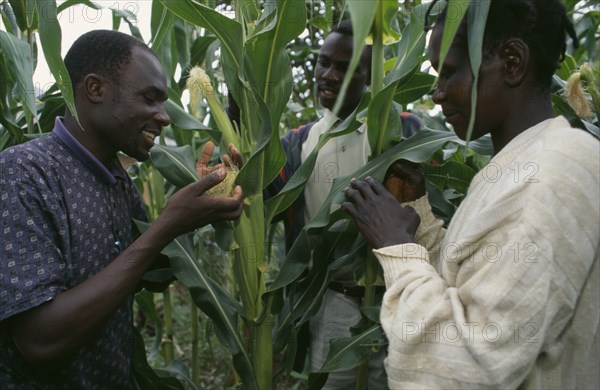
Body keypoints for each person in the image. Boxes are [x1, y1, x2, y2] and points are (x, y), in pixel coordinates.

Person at [341, 0, 599, 388]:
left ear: (512, 62)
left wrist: (397, 247)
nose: (438, 92)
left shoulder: (548, 176)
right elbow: (479, 284)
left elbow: (465, 366)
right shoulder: (528, 161)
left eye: (448, 72)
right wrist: (419, 219)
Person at [0, 30, 243, 387]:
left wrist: (198, 209)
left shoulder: (115, 178)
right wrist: (166, 226)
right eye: (150, 98)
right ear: (95, 89)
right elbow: (40, 340)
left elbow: (153, 275)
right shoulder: (22, 174)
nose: (164, 117)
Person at [268, 20, 422, 388]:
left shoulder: (403, 131)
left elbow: (429, 207)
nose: (329, 75)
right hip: (332, 303)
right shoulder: (299, 143)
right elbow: (268, 199)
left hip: (400, 302)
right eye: (324, 63)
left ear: (370, 77)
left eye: (345, 67)